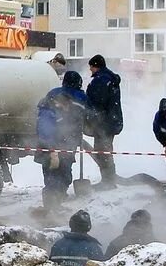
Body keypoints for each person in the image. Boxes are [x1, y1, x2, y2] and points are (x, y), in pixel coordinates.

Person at [34, 70, 88, 214]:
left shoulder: (52, 94)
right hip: (61, 144)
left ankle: (53, 205)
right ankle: (53, 207)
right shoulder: (79, 97)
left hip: (54, 144)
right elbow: (47, 128)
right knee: (61, 174)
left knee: (51, 174)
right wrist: (53, 150)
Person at [85, 54, 124, 188]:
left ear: (95, 66)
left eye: (91, 67)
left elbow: (96, 103)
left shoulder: (100, 80)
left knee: (102, 151)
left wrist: (90, 116)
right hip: (111, 120)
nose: (90, 70)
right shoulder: (110, 79)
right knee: (105, 149)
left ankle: (108, 181)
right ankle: (109, 179)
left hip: (103, 123)